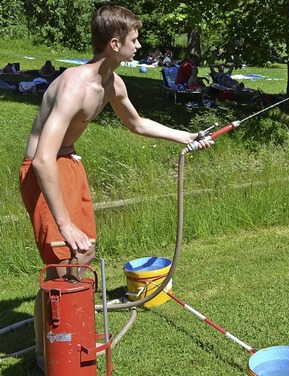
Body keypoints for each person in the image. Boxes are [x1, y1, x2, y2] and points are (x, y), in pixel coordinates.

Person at [18, 5, 212, 371]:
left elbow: (136, 123)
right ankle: (48, 356)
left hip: (69, 162)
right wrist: (65, 224)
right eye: (135, 40)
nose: (139, 46)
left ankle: (68, 331)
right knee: (61, 263)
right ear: (114, 43)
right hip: (43, 170)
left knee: (84, 253)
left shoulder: (112, 83)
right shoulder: (76, 85)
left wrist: (187, 136)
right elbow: (43, 160)